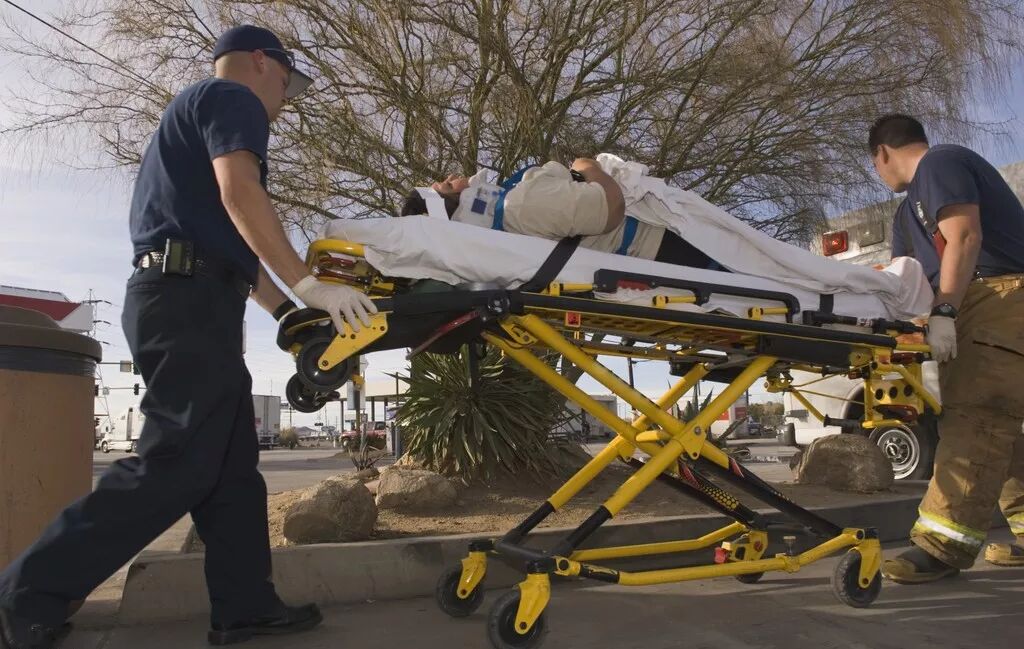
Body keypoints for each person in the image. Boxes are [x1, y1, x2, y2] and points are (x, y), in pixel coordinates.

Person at [0, 25, 376, 649]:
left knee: (231, 471)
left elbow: (235, 241)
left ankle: (245, 606)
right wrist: (310, 284)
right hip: (186, 301)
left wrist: (288, 315)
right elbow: (241, 193)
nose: (283, 104)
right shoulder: (232, 98)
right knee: (174, 461)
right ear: (260, 62)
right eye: (286, 84)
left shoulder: (194, 118)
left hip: (192, 294)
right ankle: (24, 595)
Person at [868, 114, 1024, 584]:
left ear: (882, 154)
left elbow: (965, 236)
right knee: (1005, 430)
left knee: (979, 418)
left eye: (876, 165)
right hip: (970, 305)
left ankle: (941, 547)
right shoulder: (905, 215)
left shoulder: (941, 163)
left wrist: (946, 310)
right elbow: (906, 279)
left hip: (999, 296)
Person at [400, 158, 724, 270]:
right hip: (667, 245)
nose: (453, 176)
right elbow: (611, 209)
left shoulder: (496, 236)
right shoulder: (518, 207)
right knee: (744, 265)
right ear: (456, 203)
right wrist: (588, 167)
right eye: (448, 184)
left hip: (651, 255)